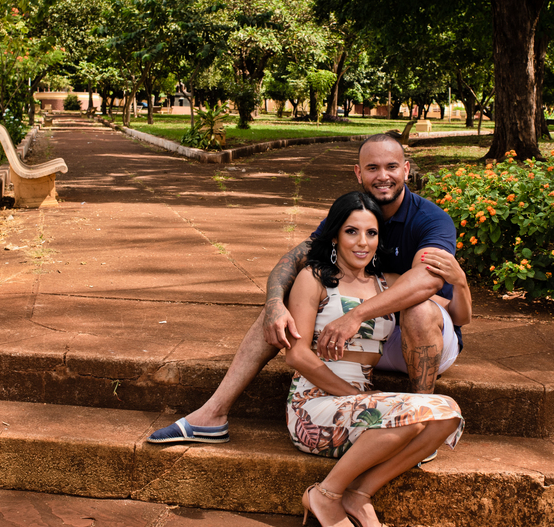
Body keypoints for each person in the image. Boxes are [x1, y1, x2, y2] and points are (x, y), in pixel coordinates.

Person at [147, 133, 469, 445]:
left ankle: (418, 423)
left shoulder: (431, 219)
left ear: (406, 169)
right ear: (358, 173)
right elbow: (295, 259)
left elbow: (428, 279)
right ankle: (212, 415)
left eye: (391, 167)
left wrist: (355, 315)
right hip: (368, 340)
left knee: (420, 309)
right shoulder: (355, 213)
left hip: (420, 336)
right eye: (372, 168)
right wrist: (274, 302)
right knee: (281, 310)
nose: (382, 176)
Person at [285, 192, 463, 527]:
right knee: (413, 415)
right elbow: (297, 355)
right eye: (352, 232)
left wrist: (459, 280)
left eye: (371, 233)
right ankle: (326, 494)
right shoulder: (314, 277)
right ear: (335, 235)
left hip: (361, 409)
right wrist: (350, 394)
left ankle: (360, 494)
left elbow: (452, 308)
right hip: (314, 405)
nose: (362, 242)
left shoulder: (386, 283)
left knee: (448, 413)